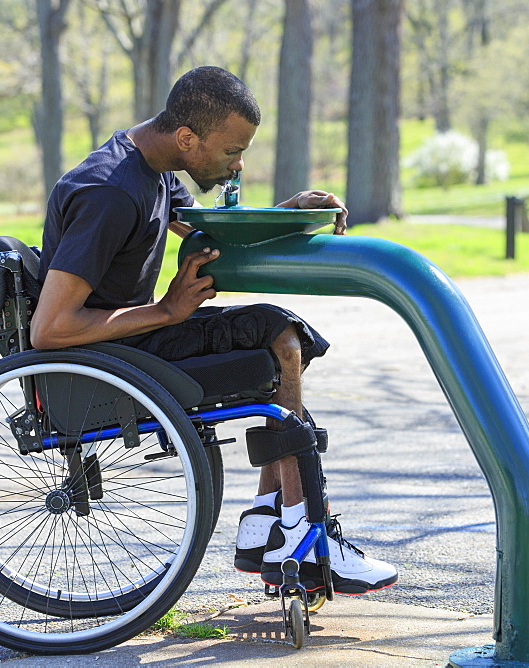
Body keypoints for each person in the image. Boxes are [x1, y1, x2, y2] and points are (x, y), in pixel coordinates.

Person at [31, 66, 397, 595]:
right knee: (278, 336)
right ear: (187, 138)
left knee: (279, 338)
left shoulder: (149, 166)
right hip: (110, 357)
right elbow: (51, 327)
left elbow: (208, 228)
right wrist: (166, 310)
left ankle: (270, 521)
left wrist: (287, 216)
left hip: (129, 342)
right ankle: (296, 529)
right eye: (231, 152)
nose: (239, 164)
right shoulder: (109, 192)